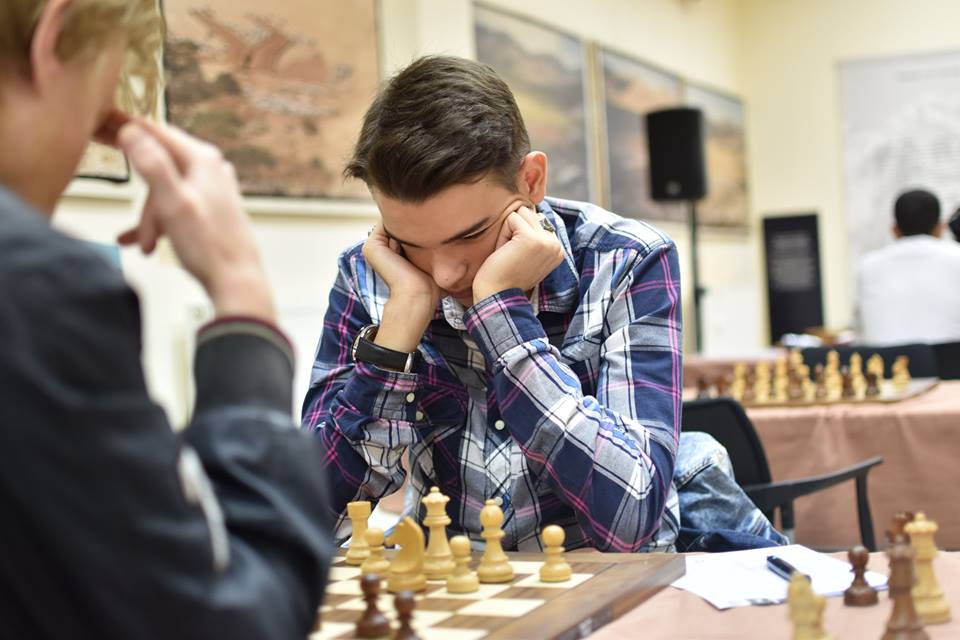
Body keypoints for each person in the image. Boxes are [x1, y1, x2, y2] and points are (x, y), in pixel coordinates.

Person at [303, 55, 785, 552]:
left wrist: (502, 315)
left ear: (531, 180)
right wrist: (390, 345)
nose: (444, 274)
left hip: (608, 583)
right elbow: (310, 520)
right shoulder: (370, 273)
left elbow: (632, 517)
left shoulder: (626, 259)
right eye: (411, 244)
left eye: (469, 235)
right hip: (456, 583)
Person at [0, 1, 331, 637]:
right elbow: (234, 625)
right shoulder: (36, 285)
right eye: (102, 102)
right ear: (56, 36)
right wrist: (240, 288)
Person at [856, 189, 960, 345]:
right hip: (950, 359)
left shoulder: (867, 266)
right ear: (940, 227)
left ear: (894, 230)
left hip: (888, 359)